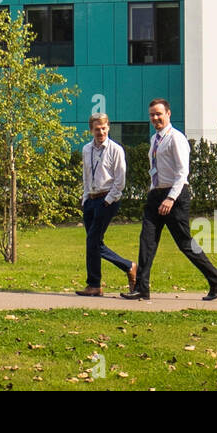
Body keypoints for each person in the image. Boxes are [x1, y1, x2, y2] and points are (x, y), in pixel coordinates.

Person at [121, 98, 217, 301]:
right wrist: (153, 192)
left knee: (184, 242)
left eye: (159, 114)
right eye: (152, 114)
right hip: (156, 195)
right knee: (147, 241)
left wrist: (170, 198)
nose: (155, 118)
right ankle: (142, 288)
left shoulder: (176, 138)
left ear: (168, 114)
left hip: (175, 197)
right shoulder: (155, 140)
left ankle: (216, 279)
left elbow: (182, 173)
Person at [77, 113, 134, 296]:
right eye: (97, 129)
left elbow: (120, 180)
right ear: (91, 130)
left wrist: (109, 200)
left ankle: (123, 269)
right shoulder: (87, 149)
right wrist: (85, 198)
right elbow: (86, 175)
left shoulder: (115, 149)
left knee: (92, 241)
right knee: (94, 243)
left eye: (103, 128)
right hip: (91, 200)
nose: (100, 132)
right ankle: (96, 284)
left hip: (107, 199)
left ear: (108, 128)